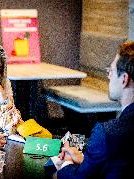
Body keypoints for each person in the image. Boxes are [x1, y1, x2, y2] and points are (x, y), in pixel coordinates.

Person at [57, 41, 134, 178]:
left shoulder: (106, 133)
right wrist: (86, 161)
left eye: (111, 71)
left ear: (124, 79)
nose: (108, 76)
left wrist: (66, 163)